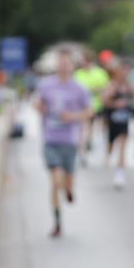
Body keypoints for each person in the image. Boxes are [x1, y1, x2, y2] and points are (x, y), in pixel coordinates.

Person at [35, 48, 93, 238]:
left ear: (72, 66)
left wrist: (73, 116)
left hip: (70, 141)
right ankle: (57, 223)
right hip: (51, 139)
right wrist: (40, 107)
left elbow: (90, 111)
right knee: (55, 180)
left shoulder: (80, 88)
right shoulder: (46, 85)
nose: (63, 66)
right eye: (60, 62)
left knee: (66, 182)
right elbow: (37, 103)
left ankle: (70, 189)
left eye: (66, 63)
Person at [101, 60, 134, 188]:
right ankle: (108, 154)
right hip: (112, 120)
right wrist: (116, 104)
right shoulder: (112, 85)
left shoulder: (129, 86)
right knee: (111, 145)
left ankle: (120, 174)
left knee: (122, 146)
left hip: (124, 121)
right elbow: (104, 101)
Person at [74, 50, 110, 165]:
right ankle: (83, 153)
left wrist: (94, 90)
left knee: (97, 129)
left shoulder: (100, 73)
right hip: (83, 108)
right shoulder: (78, 74)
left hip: (98, 106)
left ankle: (94, 145)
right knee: (85, 129)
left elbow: (107, 88)